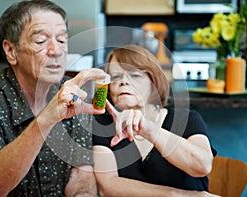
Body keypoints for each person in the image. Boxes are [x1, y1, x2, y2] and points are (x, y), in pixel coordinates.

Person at [0, 0, 110, 196]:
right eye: (40, 41)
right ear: (10, 51)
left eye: (62, 40)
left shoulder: (73, 92)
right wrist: (47, 117)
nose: (56, 51)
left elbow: (82, 171)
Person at [93, 45, 219, 196]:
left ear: (154, 83)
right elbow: (108, 187)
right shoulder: (103, 124)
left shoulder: (185, 119)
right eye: (115, 77)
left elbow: (202, 166)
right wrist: (179, 195)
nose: (123, 82)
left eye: (134, 75)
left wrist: (148, 129)